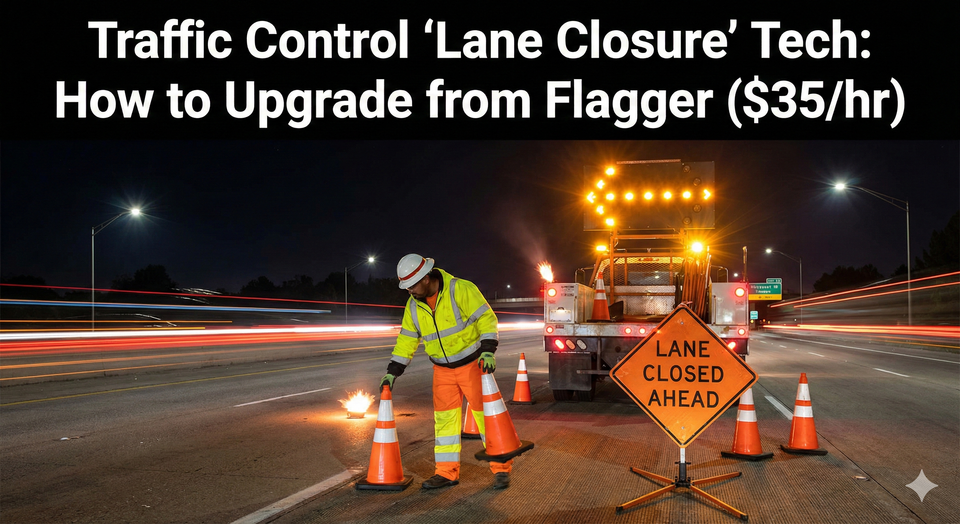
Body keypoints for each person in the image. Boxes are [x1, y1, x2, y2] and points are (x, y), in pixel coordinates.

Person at [380, 253, 512, 490]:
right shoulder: (413, 306)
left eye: (412, 285)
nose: (409, 291)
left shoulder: (460, 289)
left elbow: (486, 318)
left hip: (472, 366)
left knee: (486, 419)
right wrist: (393, 371)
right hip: (442, 371)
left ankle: (501, 469)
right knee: (444, 424)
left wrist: (488, 351)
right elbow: (407, 339)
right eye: (406, 287)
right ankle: (446, 473)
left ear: (426, 278)